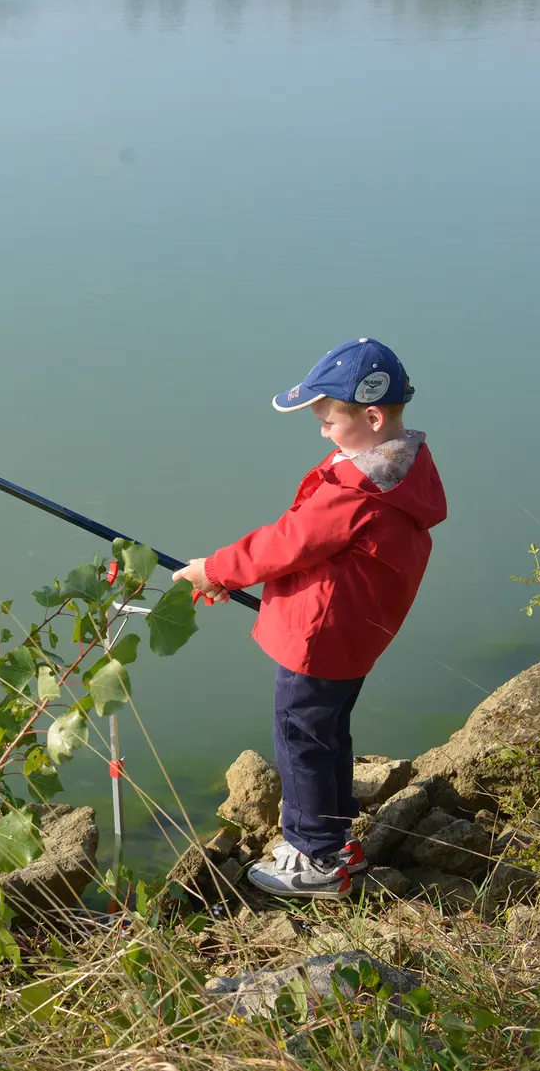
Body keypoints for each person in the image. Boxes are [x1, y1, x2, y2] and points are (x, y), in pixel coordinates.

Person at [174, 339, 447, 898]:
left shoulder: (359, 490)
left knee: (301, 736)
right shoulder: (400, 464)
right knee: (325, 732)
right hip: (349, 634)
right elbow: (318, 553)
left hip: (320, 640)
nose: (322, 430)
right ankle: (334, 835)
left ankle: (316, 858)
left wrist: (216, 570)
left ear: (371, 415)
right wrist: (236, 579)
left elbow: (288, 542)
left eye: (328, 419)